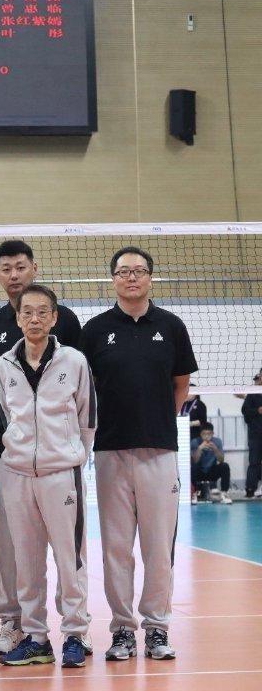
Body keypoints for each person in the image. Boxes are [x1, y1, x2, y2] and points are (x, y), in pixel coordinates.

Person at [80, 246, 197, 662]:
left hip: (159, 450)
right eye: (124, 271)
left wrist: (160, 419)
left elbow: (181, 383)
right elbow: (84, 388)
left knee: (158, 546)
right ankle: (122, 630)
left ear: (150, 278)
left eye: (139, 271)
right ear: (113, 279)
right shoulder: (95, 330)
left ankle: (157, 628)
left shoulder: (171, 326)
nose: (132, 277)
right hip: (110, 451)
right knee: (116, 547)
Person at [0, 240, 83, 657]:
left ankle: (75, 631)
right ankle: (14, 624)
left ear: (34, 268)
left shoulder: (66, 322)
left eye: (20, 266)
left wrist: (67, 444)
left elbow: (83, 398)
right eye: (6, 268)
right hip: (8, 454)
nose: (14, 274)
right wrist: (19, 424)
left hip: (58, 460)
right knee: (12, 544)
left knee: (69, 547)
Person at [0, 284, 94, 668]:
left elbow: (87, 418)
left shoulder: (75, 361)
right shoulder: (4, 365)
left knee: (70, 558)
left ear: (54, 318)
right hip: (18, 474)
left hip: (61, 474)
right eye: (27, 312)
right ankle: (36, 637)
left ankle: (75, 634)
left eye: (42, 312)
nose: (34, 319)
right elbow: (7, 415)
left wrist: (70, 456)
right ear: (18, 318)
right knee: (27, 560)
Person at [191, 425, 231, 504]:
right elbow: (194, 461)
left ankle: (224, 493)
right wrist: (199, 449)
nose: (206, 436)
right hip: (199, 471)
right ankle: (194, 493)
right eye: (204, 434)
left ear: (212, 434)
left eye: (209, 434)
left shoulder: (217, 441)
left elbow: (221, 460)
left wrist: (215, 449)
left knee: (225, 466)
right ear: (200, 434)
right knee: (192, 468)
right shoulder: (194, 442)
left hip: (212, 471)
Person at [242, 371, 262, 498]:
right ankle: (250, 489)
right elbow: (245, 411)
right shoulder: (253, 393)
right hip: (256, 434)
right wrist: (257, 411)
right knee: (254, 461)